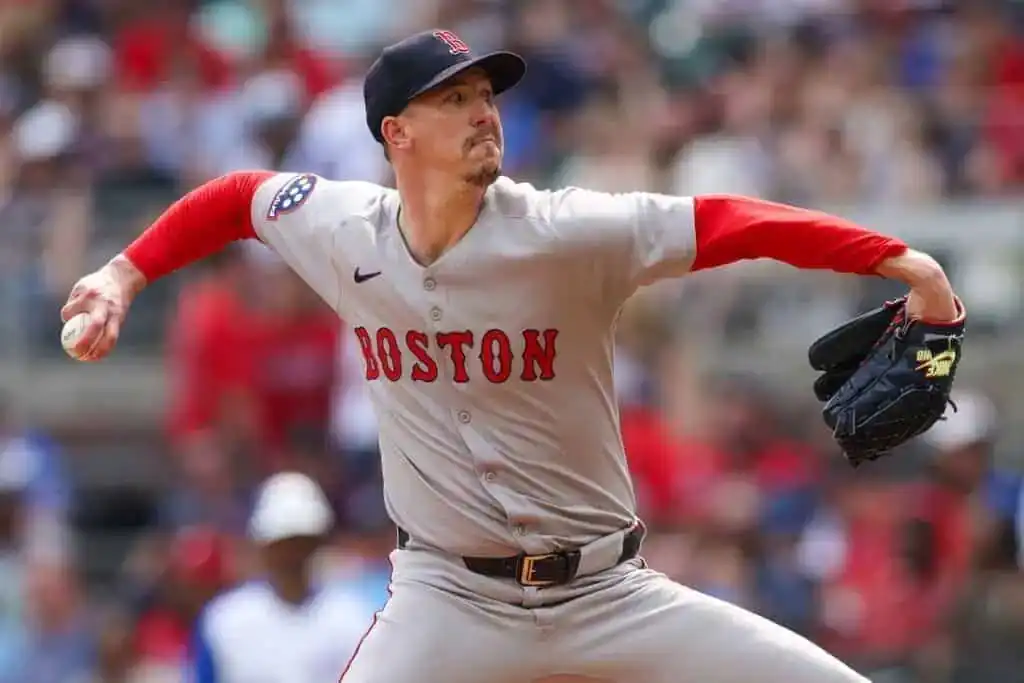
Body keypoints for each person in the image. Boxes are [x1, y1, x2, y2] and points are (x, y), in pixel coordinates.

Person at [62, 28, 963, 683]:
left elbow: (734, 222)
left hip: (611, 595)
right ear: (395, 133)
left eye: (486, 94)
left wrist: (906, 262)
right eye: (453, 98)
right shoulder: (339, 226)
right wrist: (122, 272)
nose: (482, 111)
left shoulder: (567, 232)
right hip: (446, 603)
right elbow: (235, 197)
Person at [189, 472, 372, 683]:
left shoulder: (352, 617)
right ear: (264, 545)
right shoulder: (225, 620)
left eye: (301, 542)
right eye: (283, 544)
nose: (292, 555)